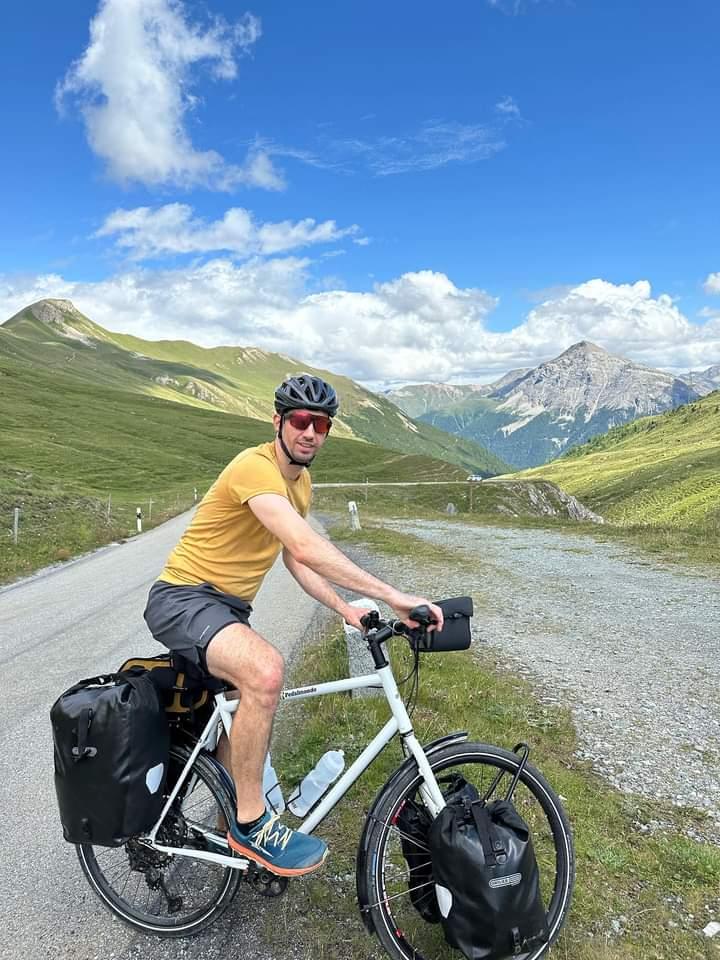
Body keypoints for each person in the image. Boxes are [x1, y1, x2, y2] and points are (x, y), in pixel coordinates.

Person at [143, 373, 443, 878]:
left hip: (226, 610)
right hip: (183, 598)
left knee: (235, 718)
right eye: (301, 421)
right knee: (265, 673)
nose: (311, 432)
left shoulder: (299, 484)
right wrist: (394, 595)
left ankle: (234, 846)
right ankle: (252, 823)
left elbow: (295, 561)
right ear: (278, 421)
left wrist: (346, 607)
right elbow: (306, 547)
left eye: (321, 424)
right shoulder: (253, 467)